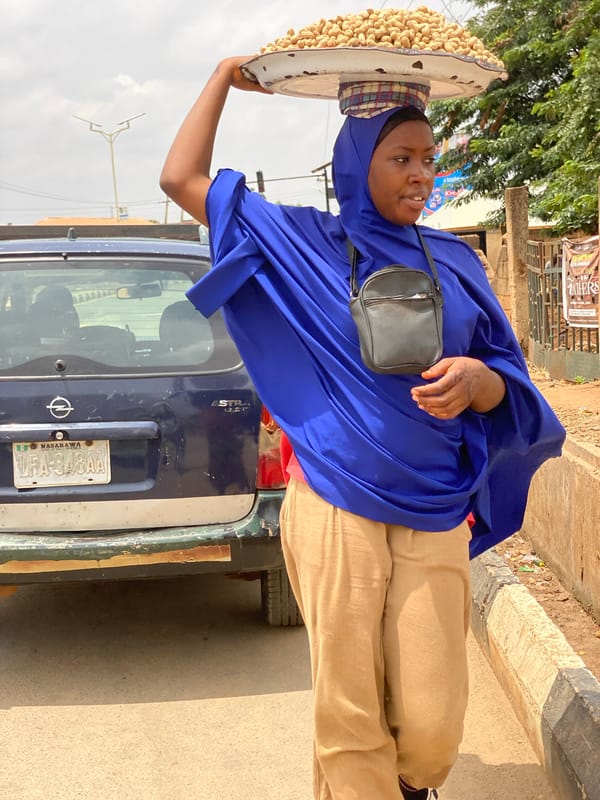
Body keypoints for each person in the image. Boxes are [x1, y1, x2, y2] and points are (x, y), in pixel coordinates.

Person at [160, 56, 565, 800]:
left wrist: (478, 382)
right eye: (401, 158)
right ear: (355, 163)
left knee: (432, 723)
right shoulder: (300, 242)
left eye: (429, 159)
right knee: (348, 712)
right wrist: (220, 76)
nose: (421, 175)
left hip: (434, 507)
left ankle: (411, 785)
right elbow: (181, 178)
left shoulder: (458, 261)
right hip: (333, 501)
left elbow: (509, 378)